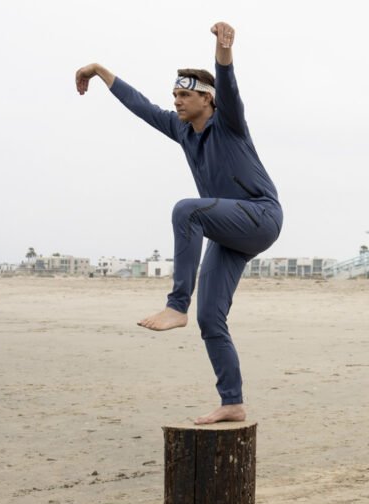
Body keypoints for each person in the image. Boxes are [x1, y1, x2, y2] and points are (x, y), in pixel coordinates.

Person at [75, 22, 282, 424]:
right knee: (211, 318)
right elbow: (141, 106)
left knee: (187, 209)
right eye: (174, 95)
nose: (176, 102)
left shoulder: (229, 123)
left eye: (184, 95)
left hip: (261, 215)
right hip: (230, 231)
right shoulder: (182, 130)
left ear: (207, 98)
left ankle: (175, 305)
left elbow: (229, 83)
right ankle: (232, 401)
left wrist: (224, 52)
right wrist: (101, 71)